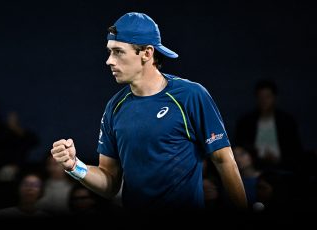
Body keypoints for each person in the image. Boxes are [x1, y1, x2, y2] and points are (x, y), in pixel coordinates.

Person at [51, 12, 247, 212]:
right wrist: (74, 166)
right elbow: (110, 184)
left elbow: (224, 161)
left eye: (118, 52)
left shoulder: (191, 96)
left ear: (146, 53)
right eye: (109, 52)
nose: (109, 61)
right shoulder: (114, 107)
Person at [234, 79, 303, 172]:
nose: (264, 101)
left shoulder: (286, 122)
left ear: (275, 98)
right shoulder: (246, 122)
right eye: (260, 97)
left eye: (267, 97)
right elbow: (239, 148)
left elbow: (295, 150)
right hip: (253, 168)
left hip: (283, 168)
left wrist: (279, 159)